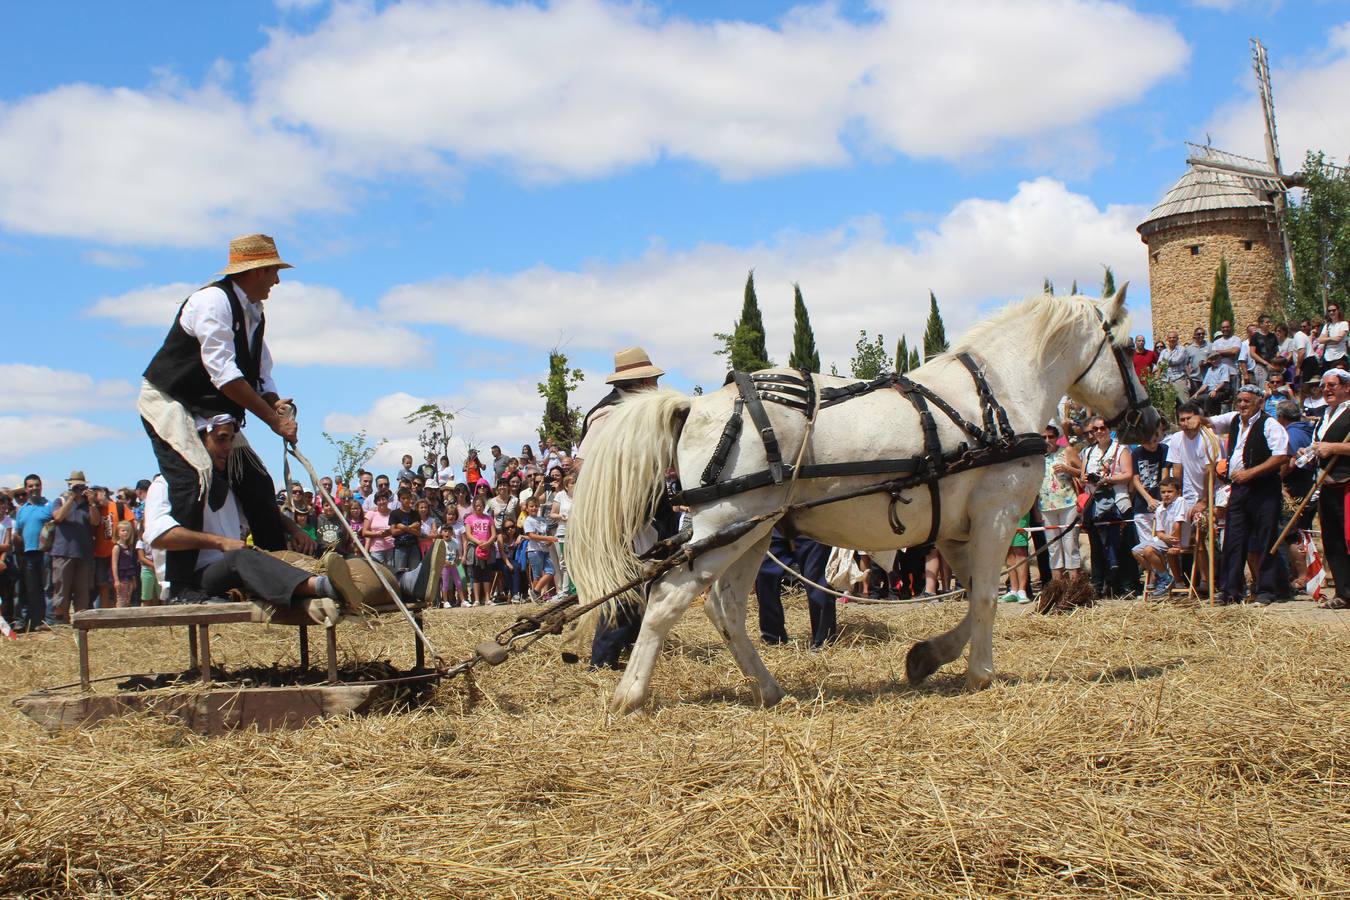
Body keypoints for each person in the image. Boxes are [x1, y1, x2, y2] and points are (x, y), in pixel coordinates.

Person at [139, 234, 302, 599]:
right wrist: (273, 422)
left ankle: (280, 569)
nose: (277, 281)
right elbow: (224, 374)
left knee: (257, 482)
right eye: (274, 271)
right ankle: (181, 588)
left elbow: (260, 375)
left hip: (215, 412)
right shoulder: (212, 302)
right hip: (171, 401)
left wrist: (274, 403)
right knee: (196, 475)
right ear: (256, 271)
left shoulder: (255, 313)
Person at [575, 347, 676, 668]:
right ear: (640, 381)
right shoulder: (610, 414)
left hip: (644, 510)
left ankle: (627, 649)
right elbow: (583, 465)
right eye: (653, 379)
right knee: (627, 584)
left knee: (643, 581)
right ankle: (602, 660)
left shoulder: (635, 410)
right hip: (623, 516)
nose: (657, 385)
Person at [1208, 385, 1290, 604]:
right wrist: (1196, 418)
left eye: (1247, 401)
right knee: (1233, 540)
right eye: (1240, 401)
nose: (1242, 405)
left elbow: (1281, 456)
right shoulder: (1235, 419)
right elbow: (1210, 422)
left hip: (1263, 489)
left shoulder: (1270, 424)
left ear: (1260, 403)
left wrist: (1251, 473)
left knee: (1265, 539)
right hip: (1239, 489)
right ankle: (1230, 591)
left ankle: (1266, 590)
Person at [1308, 368, 1350, 609]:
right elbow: (1321, 446)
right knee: (1332, 541)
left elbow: (1331, 447)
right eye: (1324, 386)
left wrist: (1333, 448)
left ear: (1346, 387)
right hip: (1326, 484)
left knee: (1348, 538)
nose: (1326, 390)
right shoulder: (1325, 414)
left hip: (1347, 483)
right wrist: (1310, 451)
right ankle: (1344, 593)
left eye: (1332, 385)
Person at [1081, 417, 1136, 597]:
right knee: (1097, 547)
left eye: (1102, 428)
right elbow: (1082, 477)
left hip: (1118, 501)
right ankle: (1098, 585)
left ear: (1108, 429)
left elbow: (1128, 474)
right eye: (1094, 429)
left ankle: (1127, 586)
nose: (1098, 432)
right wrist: (1090, 478)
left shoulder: (1121, 449)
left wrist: (1108, 479)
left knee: (1122, 545)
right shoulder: (1089, 452)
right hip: (1095, 502)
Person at [49, 470, 98, 622]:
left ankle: (80, 623)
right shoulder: (60, 500)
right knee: (61, 590)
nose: (78, 489)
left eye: (81, 486)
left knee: (82, 592)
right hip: (63, 552)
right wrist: (71, 498)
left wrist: (91, 502)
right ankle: (60, 623)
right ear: (69, 485)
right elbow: (58, 517)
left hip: (84, 554)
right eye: (75, 485)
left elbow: (95, 521)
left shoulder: (87, 504)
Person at [1132, 478, 1186, 597]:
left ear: (1178, 492)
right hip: (1165, 539)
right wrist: (1165, 537)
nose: (1166, 495)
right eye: (1163, 492)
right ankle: (1164, 576)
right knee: (1136, 551)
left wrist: (1175, 543)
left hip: (1177, 540)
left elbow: (1178, 524)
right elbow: (1159, 532)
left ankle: (1164, 578)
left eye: (1170, 491)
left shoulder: (1180, 501)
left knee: (1148, 550)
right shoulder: (1160, 508)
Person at [13, 475, 53, 632]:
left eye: (37, 485)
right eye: (30, 486)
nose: (34, 488)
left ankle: (48, 620)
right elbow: (18, 533)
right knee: (32, 589)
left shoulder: (49, 505)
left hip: (46, 552)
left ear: (41, 486)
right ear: (26, 488)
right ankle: (36, 622)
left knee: (47, 587)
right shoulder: (22, 510)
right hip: (28, 554)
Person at [522, 496, 558, 602]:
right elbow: (532, 536)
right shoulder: (528, 520)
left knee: (550, 571)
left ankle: (535, 592)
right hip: (534, 550)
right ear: (527, 508)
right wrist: (548, 538)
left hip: (544, 549)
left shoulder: (542, 520)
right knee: (537, 575)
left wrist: (549, 541)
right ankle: (536, 595)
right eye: (531, 506)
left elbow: (545, 533)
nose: (534, 508)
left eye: (536, 506)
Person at [463, 495, 496, 606]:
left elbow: (494, 534)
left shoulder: (489, 518)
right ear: (473, 506)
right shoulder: (469, 519)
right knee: (476, 575)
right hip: (474, 548)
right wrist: (478, 542)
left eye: (481, 506)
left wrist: (487, 543)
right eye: (476, 506)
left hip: (487, 548)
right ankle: (476, 599)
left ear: (484, 506)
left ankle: (487, 598)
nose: (478, 508)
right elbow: (468, 534)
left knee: (487, 574)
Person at [388, 487, 422, 573]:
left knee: (414, 572)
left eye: (408, 498)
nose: (406, 500)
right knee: (399, 572)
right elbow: (393, 532)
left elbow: (418, 533)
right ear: (399, 499)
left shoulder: (415, 514)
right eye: (403, 498)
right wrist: (410, 527)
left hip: (413, 546)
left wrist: (403, 527)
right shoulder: (394, 513)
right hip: (400, 547)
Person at [1158, 330, 1194, 404]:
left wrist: (1165, 362)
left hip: (1178, 379)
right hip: (1166, 381)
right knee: (1168, 406)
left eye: (1174, 337)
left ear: (1177, 338)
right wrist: (1166, 362)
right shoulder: (1163, 351)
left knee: (1185, 403)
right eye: (1170, 338)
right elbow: (1159, 364)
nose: (1172, 339)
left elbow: (1176, 361)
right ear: (1167, 339)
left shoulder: (1182, 349)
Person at [362, 491, 396, 567]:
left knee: (391, 573)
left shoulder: (393, 513)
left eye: (383, 499)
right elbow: (364, 532)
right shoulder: (371, 513)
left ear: (388, 500)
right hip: (376, 549)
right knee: (379, 572)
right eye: (379, 500)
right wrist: (378, 534)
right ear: (376, 502)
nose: (381, 502)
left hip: (391, 548)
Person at [110, 521, 139, 608]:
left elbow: (130, 564)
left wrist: (133, 579)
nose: (125, 533)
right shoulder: (116, 547)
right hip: (121, 576)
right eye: (123, 530)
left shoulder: (129, 547)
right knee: (121, 599)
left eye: (128, 531)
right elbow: (114, 564)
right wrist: (116, 580)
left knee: (127, 599)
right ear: (118, 533)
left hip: (129, 576)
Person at [1316, 304, 1348, 374]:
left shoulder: (1344, 324)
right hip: (1327, 358)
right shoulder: (1327, 326)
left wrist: (1326, 339)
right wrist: (1331, 339)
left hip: (1340, 357)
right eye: (1329, 311)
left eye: (1334, 310)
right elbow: (1320, 340)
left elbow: (1338, 340)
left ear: (1338, 311)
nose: (1331, 312)